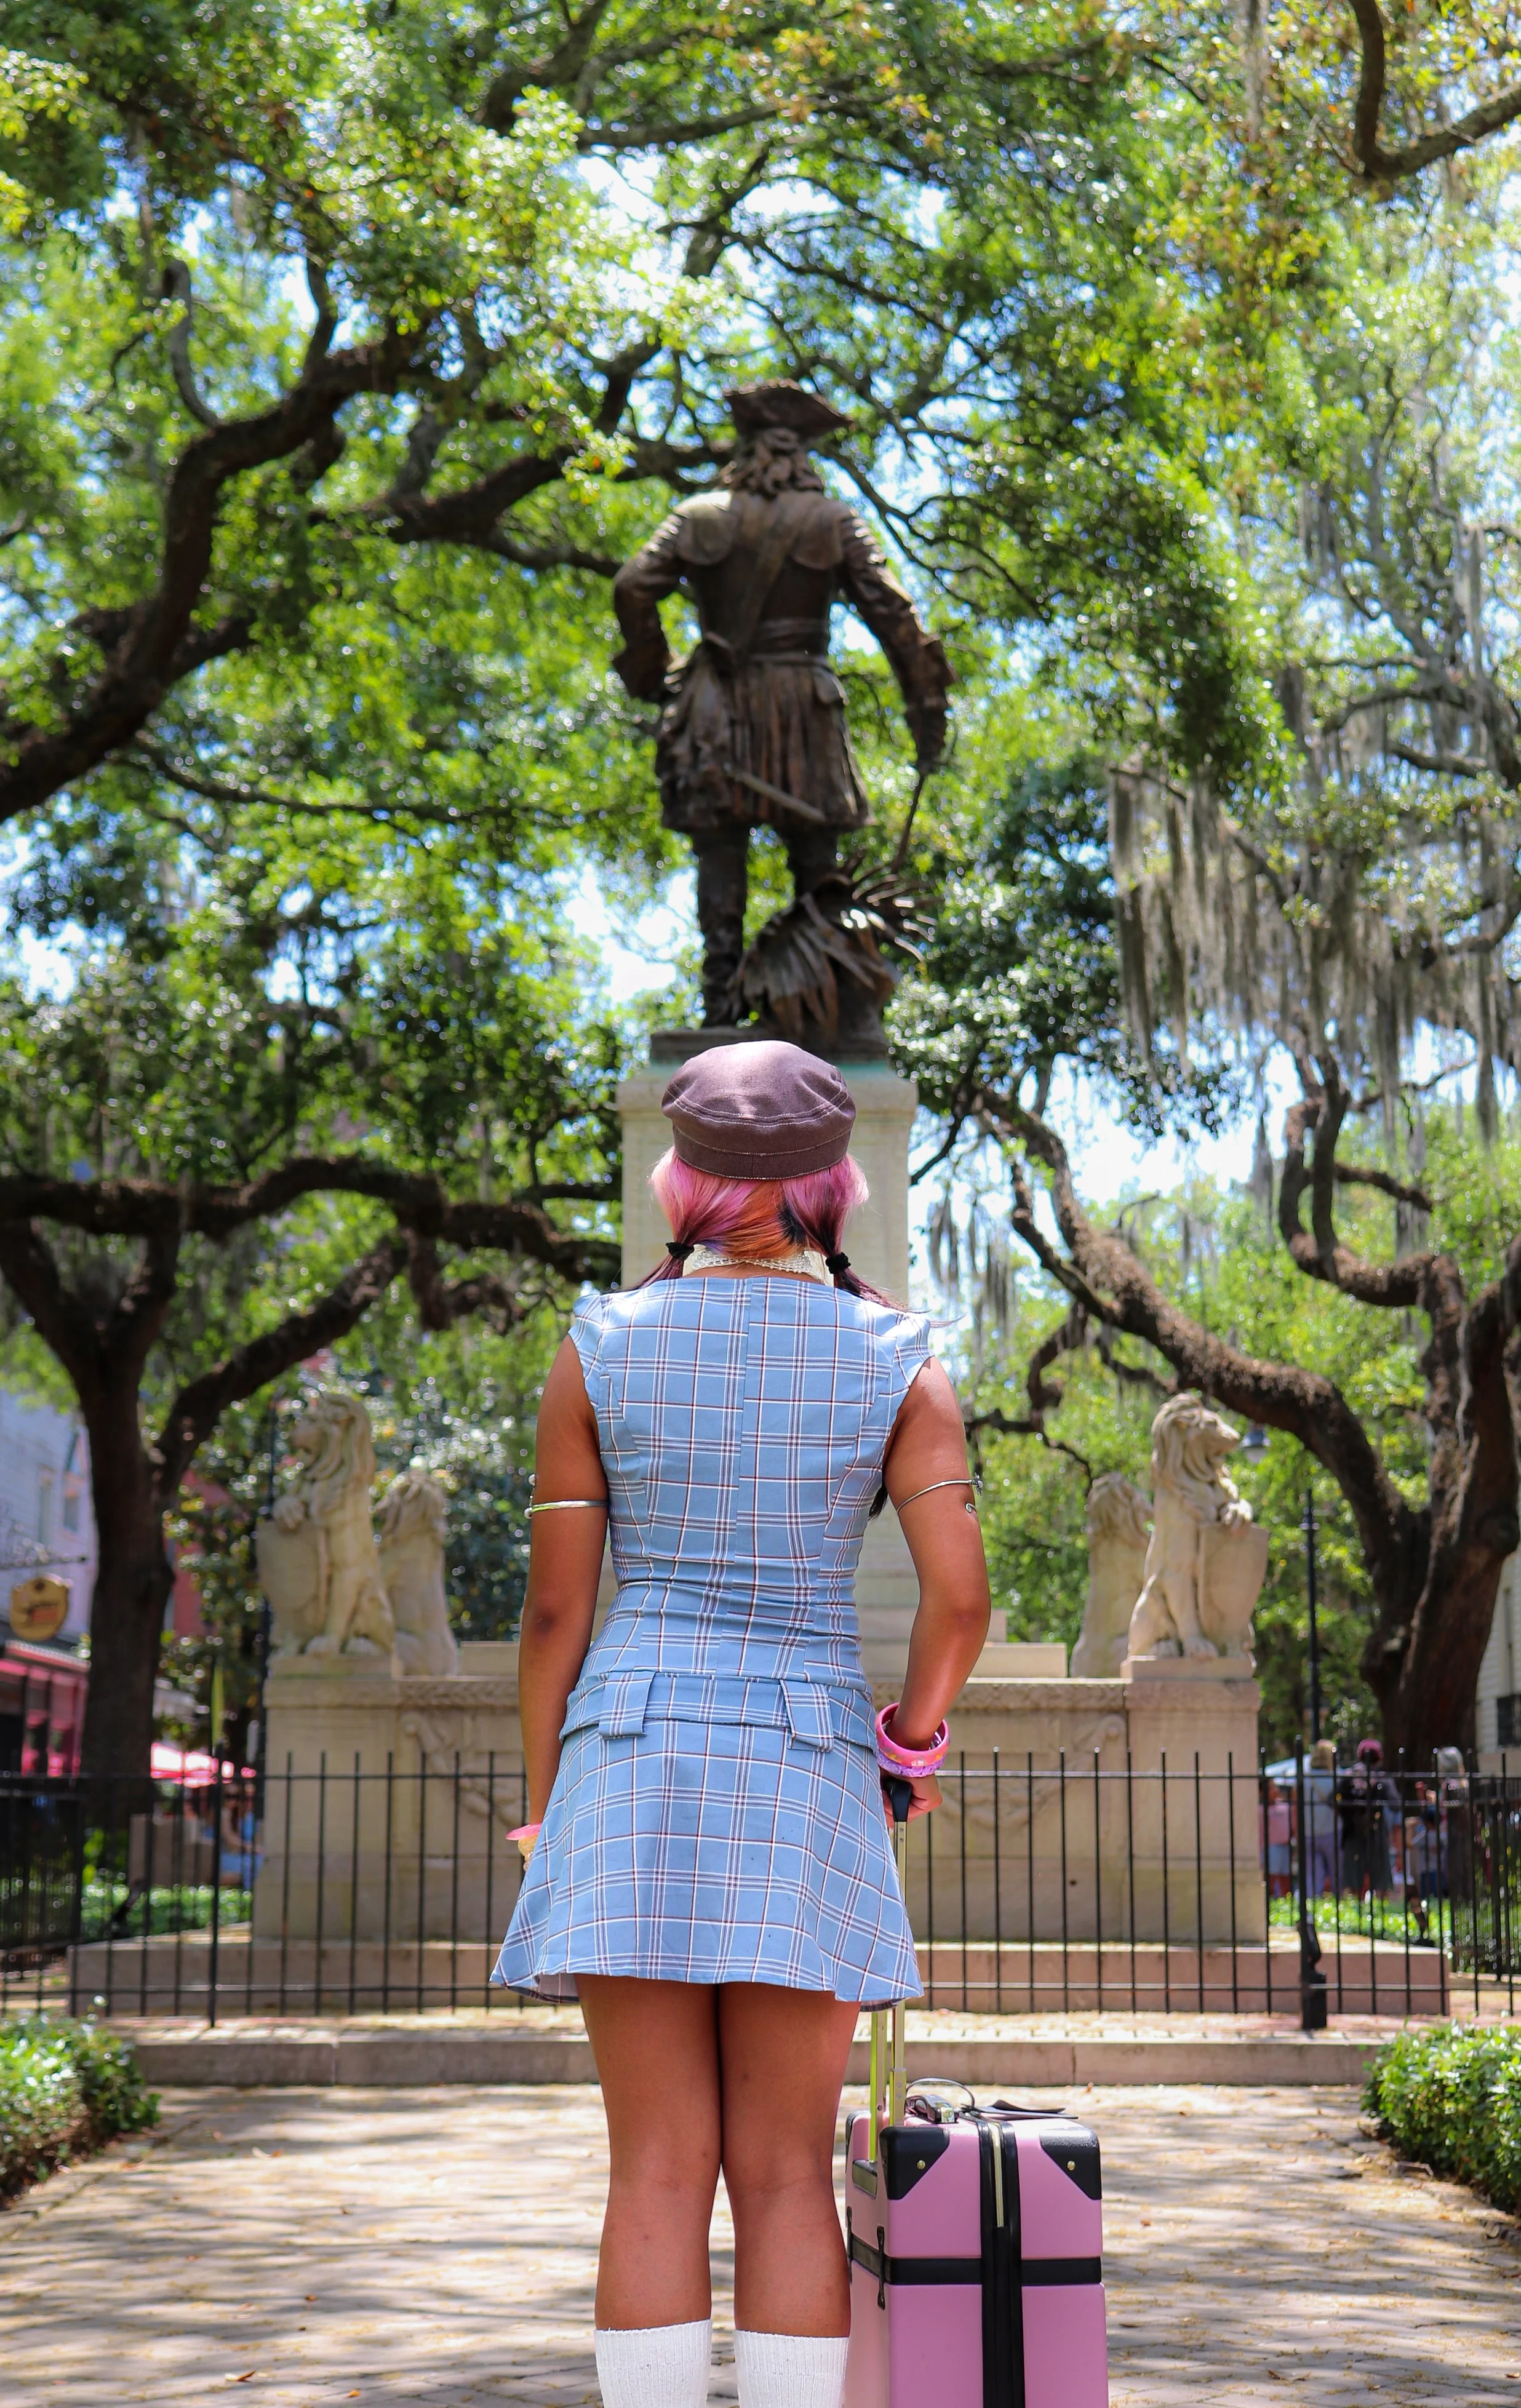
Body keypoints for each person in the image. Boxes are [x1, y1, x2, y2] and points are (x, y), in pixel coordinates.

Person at [493, 1041, 991, 2408]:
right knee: (785, 2169)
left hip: (631, 1758)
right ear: (832, 1180)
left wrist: (549, 1803)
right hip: (806, 1762)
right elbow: (961, 1601)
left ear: (685, 1172)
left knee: (652, 2165)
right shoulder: (897, 1357)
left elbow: (553, 1620)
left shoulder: (601, 1342)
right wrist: (910, 1745)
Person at [611, 383, 951, 1026]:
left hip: (717, 706)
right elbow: (893, 612)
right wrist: (924, 710)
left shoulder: (698, 515)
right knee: (817, 863)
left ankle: (718, 1008)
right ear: (801, 455)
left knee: (719, 857)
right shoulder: (833, 521)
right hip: (802, 705)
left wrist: (657, 673)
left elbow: (632, 585)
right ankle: (827, 1011)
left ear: (748, 449)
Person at [1305, 1738, 1338, 1900]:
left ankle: (1312, 1910)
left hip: (1309, 1833)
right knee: (1337, 1874)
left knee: (1313, 1878)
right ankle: (1339, 1908)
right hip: (1333, 1831)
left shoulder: (1304, 1779)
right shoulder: (1336, 1779)